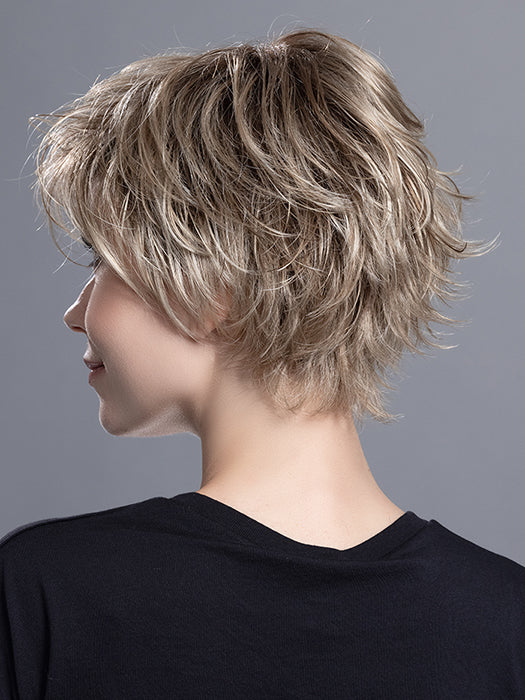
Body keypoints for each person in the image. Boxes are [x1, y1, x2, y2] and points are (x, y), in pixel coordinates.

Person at [1, 27, 523, 698]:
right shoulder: (504, 620)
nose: (76, 313)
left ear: (210, 287)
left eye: (103, 262)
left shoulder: (48, 592)